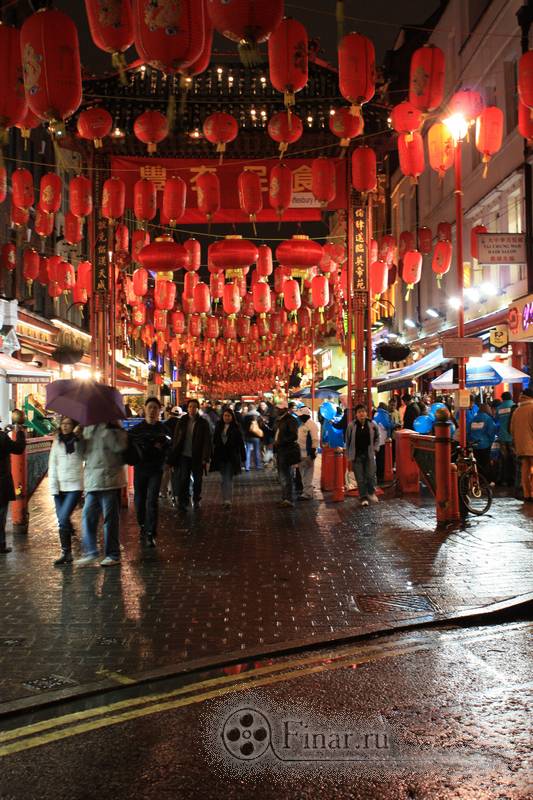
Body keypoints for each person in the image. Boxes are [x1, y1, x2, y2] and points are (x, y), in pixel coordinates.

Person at [75, 422, 128, 567]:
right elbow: (82, 455)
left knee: (110, 520)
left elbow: (119, 448)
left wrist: (109, 431)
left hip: (110, 480)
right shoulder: (88, 427)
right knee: (88, 517)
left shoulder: (115, 427)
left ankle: (113, 554)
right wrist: (78, 438)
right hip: (93, 481)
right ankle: (90, 552)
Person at [130, 397, 171, 547]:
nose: (152, 410)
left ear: (159, 410)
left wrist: (164, 452)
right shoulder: (137, 430)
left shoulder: (163, 429)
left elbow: (169, 446)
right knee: (139, 500)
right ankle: (142, 524)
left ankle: (151, 533)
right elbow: (129, 446)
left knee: (152, 500)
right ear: (145, 409)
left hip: (156, 468)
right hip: (140, 468)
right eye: (150, 407)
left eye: (155, 408)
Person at [48, 416, 83, 565]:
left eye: (68, 424)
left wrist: (78, 436)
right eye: (63, 423)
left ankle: (66, 550)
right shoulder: (57, 442)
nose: (65, 426)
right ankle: (66, 553)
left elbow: (85, 455)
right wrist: (53, 487)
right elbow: (53, 464)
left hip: (74, 486)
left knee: (63, 518)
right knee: (63, 521)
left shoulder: (80, 441)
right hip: (59, 486)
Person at [168, 399, 212, 511]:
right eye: (190, 407)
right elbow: (176, 439)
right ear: (187, 408)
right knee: (184, 479)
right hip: (184, 455)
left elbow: (207, 441)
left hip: (197, 456)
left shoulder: (203, 422)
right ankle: (184, 501)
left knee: (198, 480)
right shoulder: (182, 420)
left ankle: (196, 499)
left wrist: (205, 457)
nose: (192, 409)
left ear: (198, 408)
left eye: (194, 407)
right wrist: (174, 455)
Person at [0, 415, 26, 555]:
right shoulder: (3, 438)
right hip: (1, 483)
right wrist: (20, 431)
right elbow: (18, 448)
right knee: (1, 514)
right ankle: (1, 544)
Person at [346, 404, 380, 507]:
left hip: (369, 454)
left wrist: (375, 448)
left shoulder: (372, 424)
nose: (362, 413)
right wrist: (348, 455)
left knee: (370, 475)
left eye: (363, 411)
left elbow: (378, 437)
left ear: (366, 413)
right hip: (356, 455)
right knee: (359, 478)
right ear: (356, 414)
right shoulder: (351, 425)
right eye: (359, 412)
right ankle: (363, 497)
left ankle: (371, 492)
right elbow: (347, 440)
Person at [211, 407, 245, 507]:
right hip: (221, 455)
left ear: (232, 417)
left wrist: (243, 456)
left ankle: (228, 500)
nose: (226, 417)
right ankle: (225, 498)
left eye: (228, 416)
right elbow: (214, 440)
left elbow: (240, 443)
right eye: (225, 415)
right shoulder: (218, 426)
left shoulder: (236, 427)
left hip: (231, 456)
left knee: (228, 477)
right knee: (223, 478)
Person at [510, 387, 533, 502]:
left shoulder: (517, 411)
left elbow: (512, 429)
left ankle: (527, 494)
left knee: (525, 469)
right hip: (532, 445)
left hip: (521, 446)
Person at [274, 406, 300, 507]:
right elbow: (276, 433)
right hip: (280, 450)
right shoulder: (278, 420)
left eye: (278, 408)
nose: (276, 410)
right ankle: (285, 497)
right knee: (282, 475)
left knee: (286, 475)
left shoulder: (291, 420)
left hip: (287, 450)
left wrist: (281, 441)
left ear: (284, 409)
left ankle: (288, 499)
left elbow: (294, 435)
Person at [468, 402, 497, 482]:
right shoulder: (488, 418)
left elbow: (468, 431)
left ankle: (479, 480)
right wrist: (490, 442)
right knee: (485, 463)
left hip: (474, 445)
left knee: (477, 464)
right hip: (485, 445)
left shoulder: (473, 418)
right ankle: (486, 480)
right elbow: (491, 432)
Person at [296, 406, 319, 500]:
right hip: (301, 454)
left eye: (301, 415)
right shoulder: (302, 424)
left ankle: (307, 494)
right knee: (304, 474)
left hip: (308, 454)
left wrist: (313, 451)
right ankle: (306, 492)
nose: (299, 417)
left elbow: (315, 439)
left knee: (307, 474)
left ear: (305, 415)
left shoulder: (311, 425)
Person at [495, 391, 516, 486]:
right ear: (511, 397)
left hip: (502, 437)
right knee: (514, 459)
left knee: (504, 459)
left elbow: (497, 420)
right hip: (512, 436)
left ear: (502, 399)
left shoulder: (499, 408)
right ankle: (514, 479)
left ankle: (505, 480)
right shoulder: (514, 406)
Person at [373, 402, 393, 482]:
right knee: (382, 457)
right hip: (383, 438)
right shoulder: (383, 414)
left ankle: (378, 473)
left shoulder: (376, 413)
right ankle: (381, 475)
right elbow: (387, 425)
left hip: (377, 438)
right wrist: (393, 424)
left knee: (378, 457)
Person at [242, 403, 263, 471]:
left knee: (247, 451)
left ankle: (247, 466)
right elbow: (261, 425)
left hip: (248, 436)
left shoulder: (246, 416)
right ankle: (258, 466)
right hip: (256, 436)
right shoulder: (258, 415)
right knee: (256, 451)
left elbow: (244, 427)